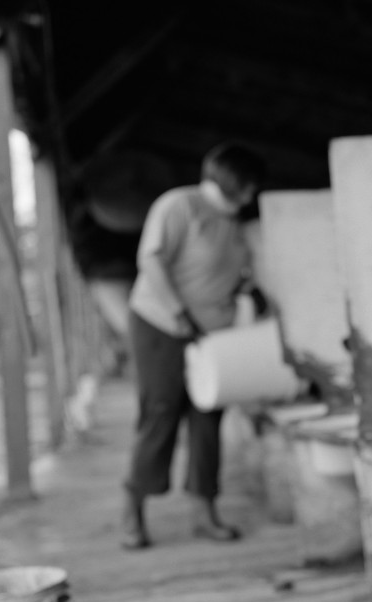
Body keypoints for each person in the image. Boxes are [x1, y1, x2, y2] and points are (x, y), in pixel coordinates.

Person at [121, 142, 266, 550]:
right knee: (161, 412)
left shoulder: (234, 224)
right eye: (249, 186)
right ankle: (132, 510)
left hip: (209, 335)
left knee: (208, 418)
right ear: (233, 182)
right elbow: (150, 261)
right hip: (160, 324)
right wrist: (179, 314)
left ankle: (204, 512)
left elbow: (232, 274)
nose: (252, 195)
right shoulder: (179, 206)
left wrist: (247, 291)